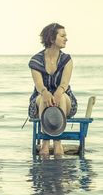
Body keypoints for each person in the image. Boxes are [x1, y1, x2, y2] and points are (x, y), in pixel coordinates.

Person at [28, 23, 77, 156]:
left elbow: (64, 84)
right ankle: (45, 144)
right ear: (51, 39)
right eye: (62, 36)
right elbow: (39, 86)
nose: (66, 38)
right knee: (45, 99)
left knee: (59, 97)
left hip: (65, 100)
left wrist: (57, 93)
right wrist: (45, 93)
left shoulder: (67, 60)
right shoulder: (36, 60)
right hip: (40, 101)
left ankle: (57, 143)